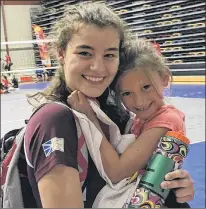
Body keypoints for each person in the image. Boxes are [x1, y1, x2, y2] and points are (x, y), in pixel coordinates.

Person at [24, 2, 194, 208]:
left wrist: (173, 187)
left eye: (109, 55)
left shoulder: (117, 114)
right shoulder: (54, 120)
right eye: (85, 53)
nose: (98, 67)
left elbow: (133, 176)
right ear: (61, 53)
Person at [67, 38, 189, 207]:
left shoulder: (167, 120)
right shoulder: (142, 118)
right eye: (126, 93)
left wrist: (89, 117)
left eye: (146, 87)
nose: (139, 102)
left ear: (164, 79)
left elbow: (117, 172)